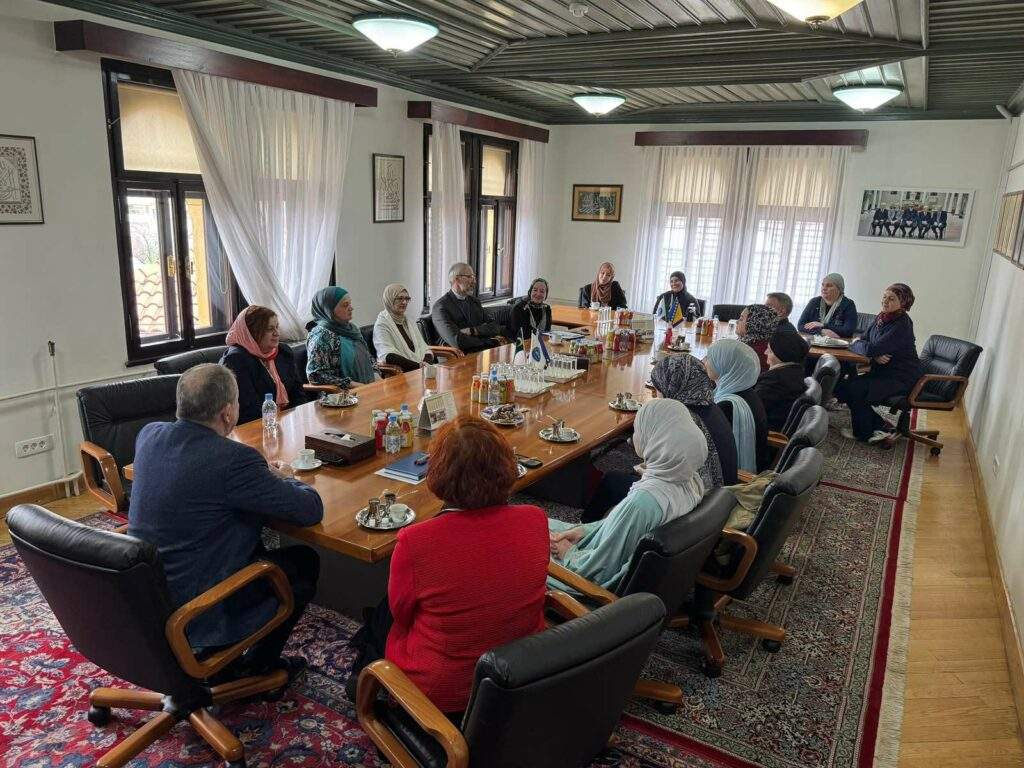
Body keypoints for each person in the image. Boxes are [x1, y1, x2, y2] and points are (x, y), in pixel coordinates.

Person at [128, 363, 323, 676]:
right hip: (201, 609)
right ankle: (255, 668)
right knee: (304, 562)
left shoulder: (149, 435)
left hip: (148, 597)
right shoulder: (234, 460)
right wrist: (282, 476)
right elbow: (310, 509)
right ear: (228, 413)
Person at [347, 416, 549, 716]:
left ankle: (365, 682)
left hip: (441, 698)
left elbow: (402, 616)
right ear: (507, 465)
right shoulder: (535, 518)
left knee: (385, 613)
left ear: (438, 472)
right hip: (520, 672)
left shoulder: (415, 541)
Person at [549, 399, 707, 593]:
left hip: (589, 585)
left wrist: (568, 553)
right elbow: (620, 531)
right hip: (642, 582)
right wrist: (584, 531)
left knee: (521, 540)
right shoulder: (691, 481)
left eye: (639, 429)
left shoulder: (643, 503)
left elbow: (597, 571)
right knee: (537, 522)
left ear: (658, 439)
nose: (634, 436)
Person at [581, 354, 734, 524]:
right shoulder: (711, 405)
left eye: (658, 388)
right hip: (717, 496)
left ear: (673, 386)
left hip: (693, 500)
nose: (656, 394)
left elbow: (670, 473)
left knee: (612, 481)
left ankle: (586, 526)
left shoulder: (682, 418)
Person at [836, 283, 922, 444]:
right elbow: (864, 340)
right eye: (884, 297)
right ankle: (878, 425)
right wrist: (872, 354)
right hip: (882, 372)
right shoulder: (881, 317)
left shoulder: (902, 324)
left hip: (901, 378)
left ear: (903, 303)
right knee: (843, 386)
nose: (885, 301)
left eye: (891, 299)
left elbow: (870, 347)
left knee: (855, 388)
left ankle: (865, 433)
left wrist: (865, 347)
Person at [220, 306, 309, 425]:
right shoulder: (235, 360)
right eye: (270, 329)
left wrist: (299, 421)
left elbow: (298, 393)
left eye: (277, 327)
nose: (277, 333)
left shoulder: (283, 352)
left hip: (288, 422)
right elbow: (248, 409)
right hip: (255, 426)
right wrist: (277, 424)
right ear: (252, 332)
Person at [704, 339, 769, 474]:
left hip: (738, 477)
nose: (704, 361)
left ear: (725, 365)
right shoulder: (748, 392)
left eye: (710, 358)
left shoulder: (728, 406)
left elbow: (709, 450)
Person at [307, 286, 377, 386]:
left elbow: (368, 357)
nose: (351, 308)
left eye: (350, 304)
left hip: (367, 386)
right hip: (341, 393)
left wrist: (376, 375)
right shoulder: (321, 336)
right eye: (345, 305)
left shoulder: (352, 330)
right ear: (329, 309)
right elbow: (315, 375)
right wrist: (350, 384)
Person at [431, 262, 504, 352]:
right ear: (457, 279)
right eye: (470, 277)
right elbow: (457, 341)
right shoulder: (440, 307)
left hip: (480, 352)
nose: (474, 281)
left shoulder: (474, 301)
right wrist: (487, 341)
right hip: (457, 357)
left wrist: (473, 330)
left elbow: (495, 327)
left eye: (474, 277)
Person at [373, 283, 437, 373]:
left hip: (421, 370)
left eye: (407, 299)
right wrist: (418, 366)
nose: (404, 302)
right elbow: (388, 356)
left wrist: (425, 364)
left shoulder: (409, 321)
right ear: (389, 300)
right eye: (400, 298)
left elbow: (423, 347)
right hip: (400, 373)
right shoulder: (382, 324)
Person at [755, 331, 810, 431]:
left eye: (770, 350)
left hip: (764, 435)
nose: (765, 352)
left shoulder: (774, 383)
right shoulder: (795, 372)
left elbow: (749, 411)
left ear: (781, 354)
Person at [797, 273, 858, 338]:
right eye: (823, 285)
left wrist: (823, 325)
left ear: (839, 289)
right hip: (814, 340)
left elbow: (848, 331)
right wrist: (821, 331)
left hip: (838, 342)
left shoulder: (848, 304)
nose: (824, 288)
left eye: (829, 286)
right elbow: (801, 325)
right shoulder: (814, 302)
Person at [736, 303, 779, 373]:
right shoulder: (767, 344)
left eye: (741, 319)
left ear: (752, 324)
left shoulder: (749, 351)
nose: (737, 322)